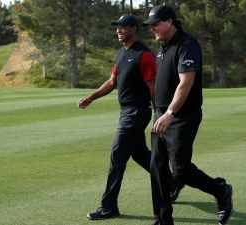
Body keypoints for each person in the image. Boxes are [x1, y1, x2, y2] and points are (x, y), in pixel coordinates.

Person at [77, 14, 184, 220]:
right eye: (117, 27)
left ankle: (108, 206)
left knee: (117, 157)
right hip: (126, 112)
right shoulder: (120, 54)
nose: (119, 30)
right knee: (140, 154)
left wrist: (158, 111)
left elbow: (153, 86)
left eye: (123, 27)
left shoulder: (144, 55)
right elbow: (112, 81)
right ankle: (172, 181)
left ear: (134, 29)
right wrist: (91, 97)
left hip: (137, 112)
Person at [142, 4, 233, 225]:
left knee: (181, 170)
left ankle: (221, 190)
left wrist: (170, 113)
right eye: (150, 25)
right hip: (162, 115)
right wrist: (158, 110)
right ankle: (163, 221)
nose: (152, 28)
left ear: (169, 22)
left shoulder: (187, 44)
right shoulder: (163, 46)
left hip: (181, 116)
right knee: (158, 168)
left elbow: (187, 82)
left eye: (156, 24)